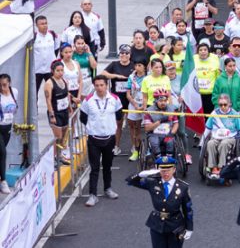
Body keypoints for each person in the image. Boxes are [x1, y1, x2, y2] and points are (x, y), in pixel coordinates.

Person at [127, 155, 193, 247]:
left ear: (174, 170)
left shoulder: (183, 187)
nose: (165, 173)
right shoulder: (152, 182)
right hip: (157, 225)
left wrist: (189, 228)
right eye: (162, 170)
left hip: (175, 225)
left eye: (168, 170)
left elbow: (188, 209)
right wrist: (142, 174)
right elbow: (130, 181)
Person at [81, 75, 124, 206]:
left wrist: (110, 126)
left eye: (102, 85)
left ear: (107, 85)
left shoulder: (114, 99)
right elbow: (83, 117)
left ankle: (108, 189)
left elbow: (119, 115)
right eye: (97, 85)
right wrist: (93, 127)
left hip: (109, 138)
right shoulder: (88, 101)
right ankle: (92, 195)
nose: (99, 88)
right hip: (94, 139)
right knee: (94, 168)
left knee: (107, 166)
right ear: (94, 86)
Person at [201, 94, 240, 179]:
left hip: (230, 137)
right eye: (220, 105)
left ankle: (221, 167)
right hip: (216, 137)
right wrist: (201, 142)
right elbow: (207, 129)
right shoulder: (214, 113)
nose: (223, 107)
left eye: (225, 104)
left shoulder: (234, 114)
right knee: (210, 143)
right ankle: (213, 167)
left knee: (224, 144)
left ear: (229, 104)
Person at [44, 60, 76, 164]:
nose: (60, 72)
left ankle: (60, 155)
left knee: (64, 135)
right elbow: (48, 100)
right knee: (58, 137)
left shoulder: (64, 80)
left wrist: (70, 108)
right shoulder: (49, 83)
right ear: (53, 71)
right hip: (55, 112)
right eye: (58, 70)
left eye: (62, 70)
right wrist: (51, 115)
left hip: (64, 111)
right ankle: (54, 157)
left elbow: (67, 94)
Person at [143, 89, 180, 158]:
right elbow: (147, 128)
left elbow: (176, 124)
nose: (163, 103)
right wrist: (160, 121)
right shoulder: (149, 111)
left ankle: (169, 160)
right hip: (154, 134)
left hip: (167, 133)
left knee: (170, 142)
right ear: (156, 101)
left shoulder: (172, 109)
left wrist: (172, 133)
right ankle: (158, 159)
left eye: (165, 101)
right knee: (154, 143)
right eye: (160, 101)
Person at [33, 15, 60, 93]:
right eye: (42, 24)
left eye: (46, 23)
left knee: (54, 91)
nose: (44, 25)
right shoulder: (34, 37)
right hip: (37, 70)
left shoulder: (52, 35)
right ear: (36, 25)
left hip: (50, 69)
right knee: (34, 92)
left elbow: (56, 48)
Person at [0, 74, 18, 193]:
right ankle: (3, 181)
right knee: (3, 152)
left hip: (7, 127)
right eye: (0, 85)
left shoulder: (14, 92)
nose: (2, 87)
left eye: (4, 85)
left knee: (0, 154)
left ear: (9, 83)